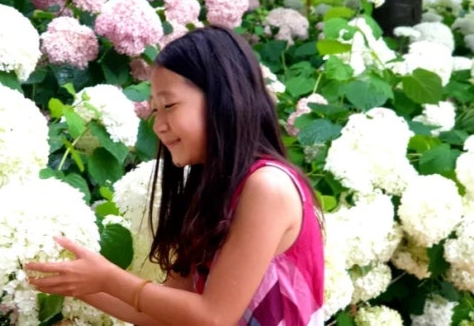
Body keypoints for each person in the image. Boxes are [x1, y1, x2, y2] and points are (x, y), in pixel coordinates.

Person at [26, 26, 325, 326]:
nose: (158, 126)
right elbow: (167, 316)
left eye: (169, 105)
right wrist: (76, 281)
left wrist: (107, 278)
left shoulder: (268, 187)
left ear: (224, 97)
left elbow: (214, 317)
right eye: (155, 110)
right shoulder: (210, 190)